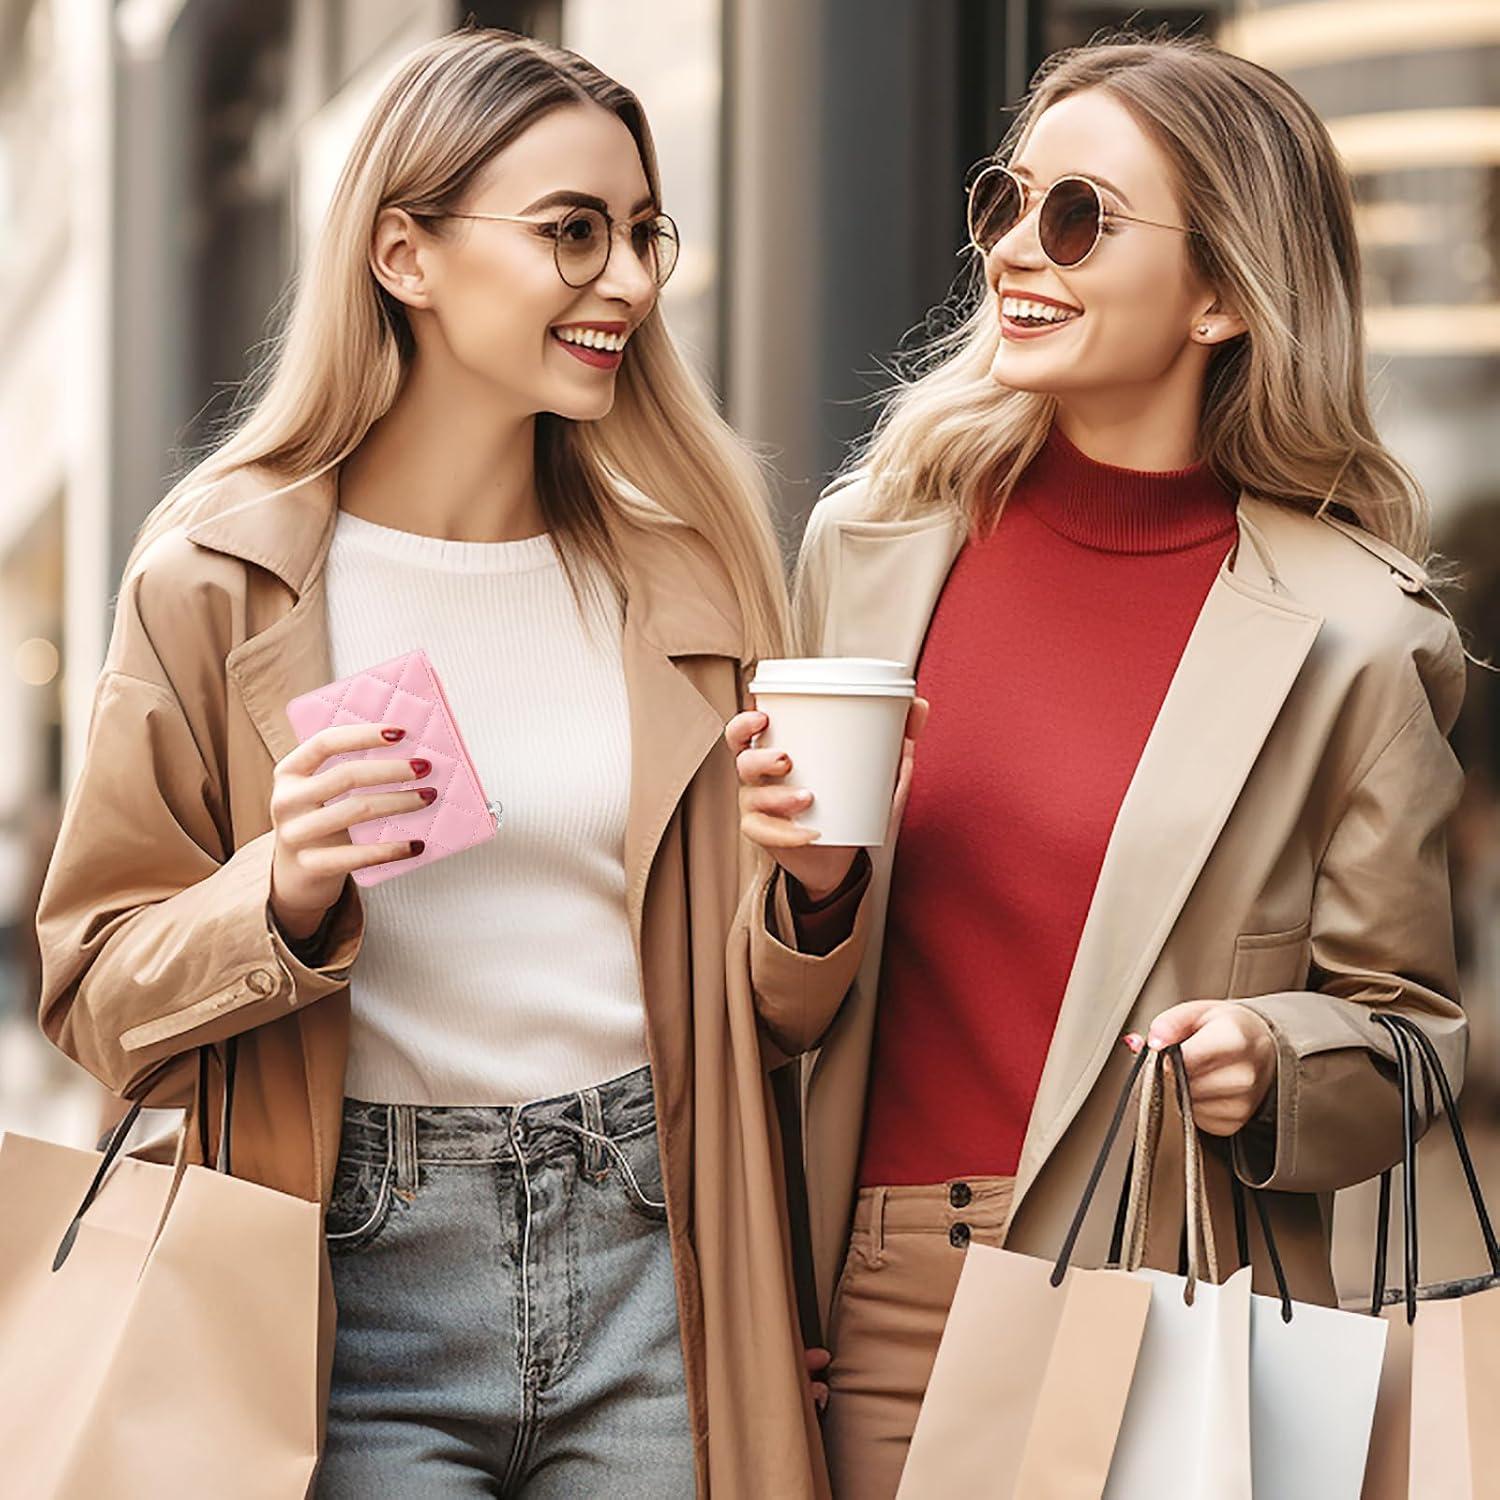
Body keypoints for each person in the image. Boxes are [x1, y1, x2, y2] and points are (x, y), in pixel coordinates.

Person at [37, 28, 854, 1499]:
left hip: (658, 1257)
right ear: (404, 254)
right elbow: (95, 998)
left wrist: (811, 896)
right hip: (349, 1284)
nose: (627, 281)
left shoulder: (693, 582)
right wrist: (275, 891)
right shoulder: (218, 579)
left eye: (641, 234)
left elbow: (772, 1026)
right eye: (572, 232)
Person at [729, 32, 1467, 1498]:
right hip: (875, 1299)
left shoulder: (1359, 637)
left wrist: (1274, 1058)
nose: (1018, 248)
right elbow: (773, 1012)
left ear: (1219, 297)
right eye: (1008, 201)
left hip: (1166, 1300)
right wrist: (808, 898)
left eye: (1079, 219)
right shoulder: (872, 555)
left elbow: (1411, 1044)